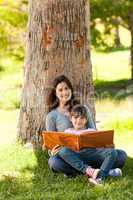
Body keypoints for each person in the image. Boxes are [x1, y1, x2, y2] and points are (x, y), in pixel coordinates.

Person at [45, 75, 127, 185]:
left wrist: (106, 144)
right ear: (55, 93)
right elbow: (52, 143)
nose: (64, 92)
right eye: (60, 90)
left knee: (121, 155)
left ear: (71, 90)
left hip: (91, 153)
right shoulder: (52, 116)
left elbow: (94, 132)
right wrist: (53, 151)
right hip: (71, 156)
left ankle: (86, 172)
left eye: (66, 88)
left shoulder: (83, 109)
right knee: (54, 162)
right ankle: (104, 172)